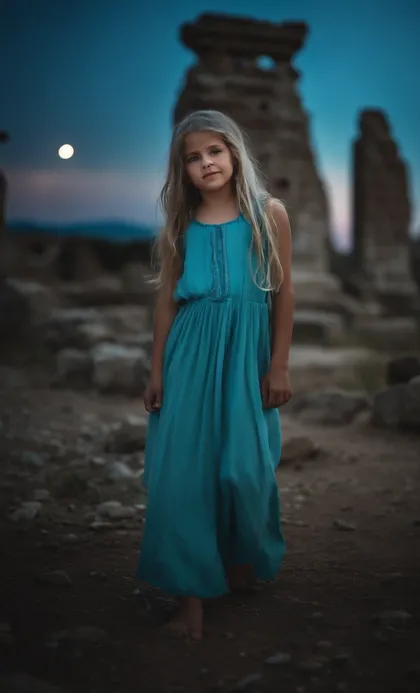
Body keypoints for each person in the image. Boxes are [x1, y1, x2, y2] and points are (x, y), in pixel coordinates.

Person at [137, 109, 294, 641]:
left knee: (242, 470)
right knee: (184, 475)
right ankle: (191, 603)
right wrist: (156, 371)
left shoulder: (269, 215)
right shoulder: (181, 228)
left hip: (246, 356)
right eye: (192, 157)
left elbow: (283, 293)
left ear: (234, 154)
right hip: (190, 354)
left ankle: (241, 557)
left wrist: (278, 365)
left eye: (214, 151)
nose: (205, 163)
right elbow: (165, 304)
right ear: (182, 170)